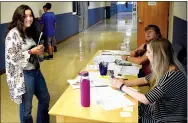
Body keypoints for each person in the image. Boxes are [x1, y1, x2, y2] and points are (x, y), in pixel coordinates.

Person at [112, 38, 187, 122]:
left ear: (159, 55)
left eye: (149, 52)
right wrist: (123, 82)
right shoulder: (166, 68)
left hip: (165, 118)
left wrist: (122, 86)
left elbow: (145, 99)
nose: (147, 55)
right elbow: (145, 79)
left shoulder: (171, 76)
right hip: (155, 110)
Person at [5, 5, 50, 123]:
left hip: (36, 72)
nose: (29, 19)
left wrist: (39, 50)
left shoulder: (29, 31)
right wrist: (31, 51)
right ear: (19, 18)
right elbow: (11, 58)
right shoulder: (13, 34)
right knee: (27, 109)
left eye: (31, 16)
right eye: (25, 16)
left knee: (45, 99)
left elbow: (33, 54)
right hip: (24, 75)